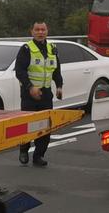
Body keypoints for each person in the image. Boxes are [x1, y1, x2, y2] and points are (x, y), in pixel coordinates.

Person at [15, 22, 63, 167]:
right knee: (27, 125)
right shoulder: (26, 49)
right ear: (32, 31)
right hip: (29, 94)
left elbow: (56, 70)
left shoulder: (52, 48)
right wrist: (30, 87)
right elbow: (20, 71)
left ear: (47, 31)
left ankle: (38, 156)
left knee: (45, 127)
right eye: (37, 30)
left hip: (46, 94)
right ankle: (24, 150)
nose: (40, 32)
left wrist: (59, 86)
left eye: (43, 29)